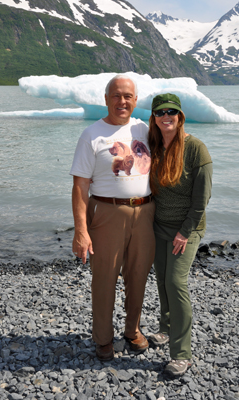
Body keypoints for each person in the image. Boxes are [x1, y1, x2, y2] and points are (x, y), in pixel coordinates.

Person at [70, 74, 155, 361]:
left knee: (138, 275)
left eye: (128, 96)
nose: (122, 101)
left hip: (145, 212)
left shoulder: (144, 129)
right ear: (106, 99)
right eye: (116, 95)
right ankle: (103, 338)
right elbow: (80, 185)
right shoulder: (92, 135)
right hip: (107, 212)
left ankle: (132, 330)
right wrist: (81, 230)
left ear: (135, 100)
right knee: (104, 278)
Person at [148, 93, 212, 377]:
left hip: (187, 228)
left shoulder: (196, 148)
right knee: (161, 279)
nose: (167, 116)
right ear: (154, 117)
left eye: (172, 111)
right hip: (158, 225)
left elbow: (202, 200)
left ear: (180, 116)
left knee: (175, 282)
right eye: (161, 112)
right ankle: (165, 328)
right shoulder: (153, 146)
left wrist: (185, 233)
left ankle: (182, 354)